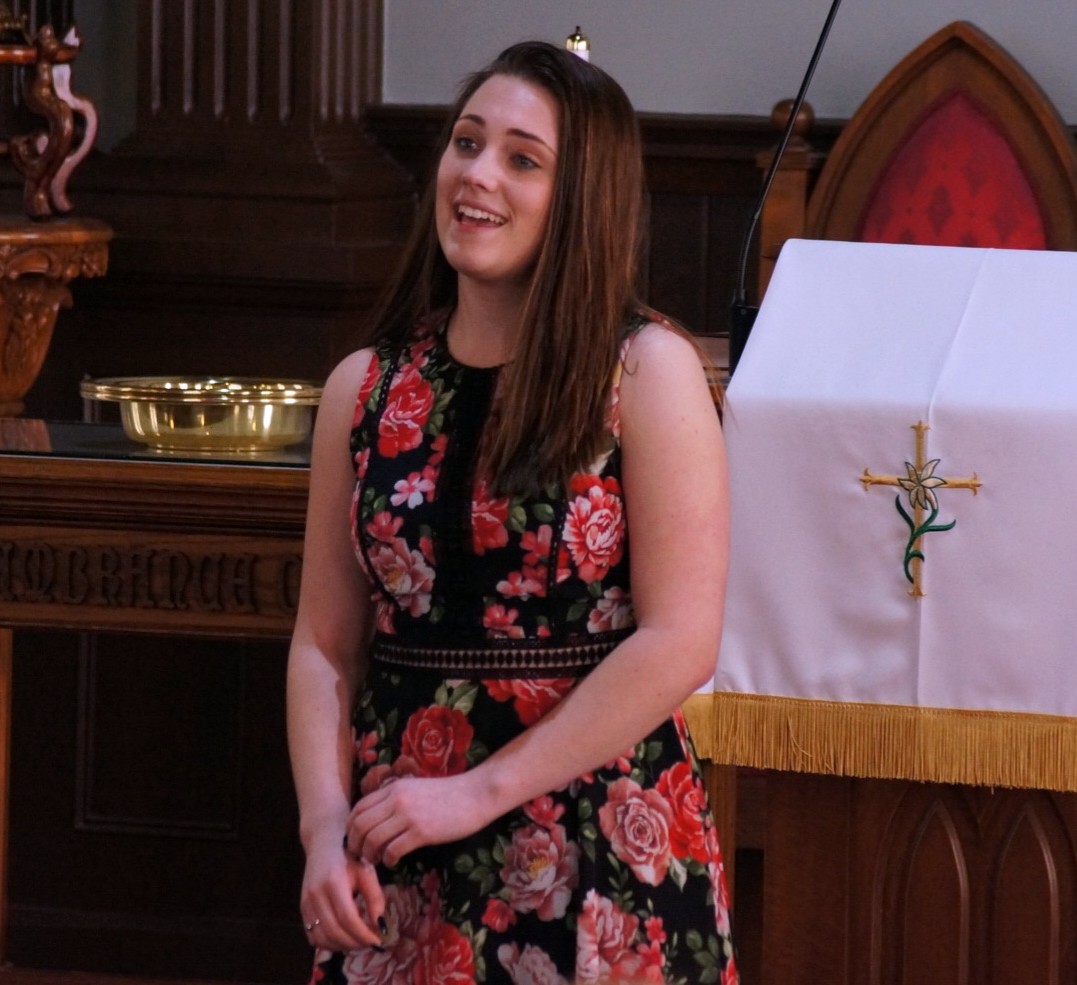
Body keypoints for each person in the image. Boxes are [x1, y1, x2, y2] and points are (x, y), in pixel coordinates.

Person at [286, 40, 737, 985]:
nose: (477, 174)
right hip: (397, 837)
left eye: (522, 159)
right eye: (465, 142)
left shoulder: (644, 371)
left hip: (590, 834)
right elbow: (324, 643)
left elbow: (680, 639)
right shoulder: (362, 387)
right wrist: (323, 827)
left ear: (582, 199)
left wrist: (479, 791)